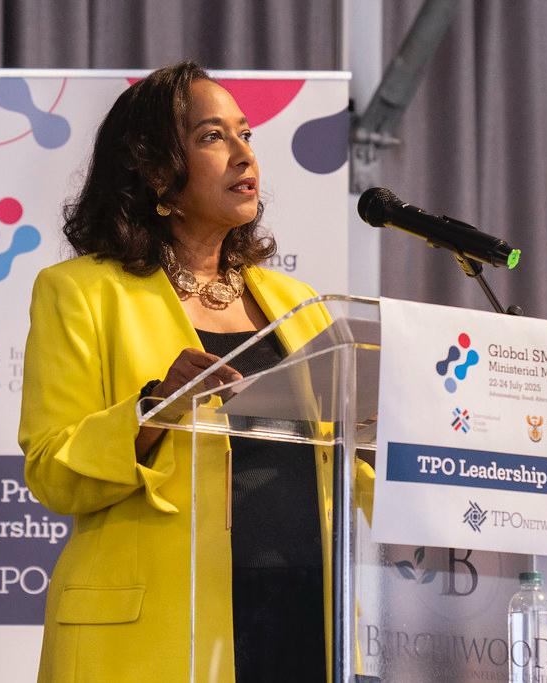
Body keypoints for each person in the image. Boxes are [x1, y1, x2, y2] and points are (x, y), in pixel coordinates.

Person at [19, 61, 363, 682]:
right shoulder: (81, 293)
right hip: (159, 633)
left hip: (305, 618)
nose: (243, 154)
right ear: (156, 171)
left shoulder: (298, 303)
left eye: (245, 134)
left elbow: (346, 461)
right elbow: (53, 470)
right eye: (212, 137)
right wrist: (155, 408)